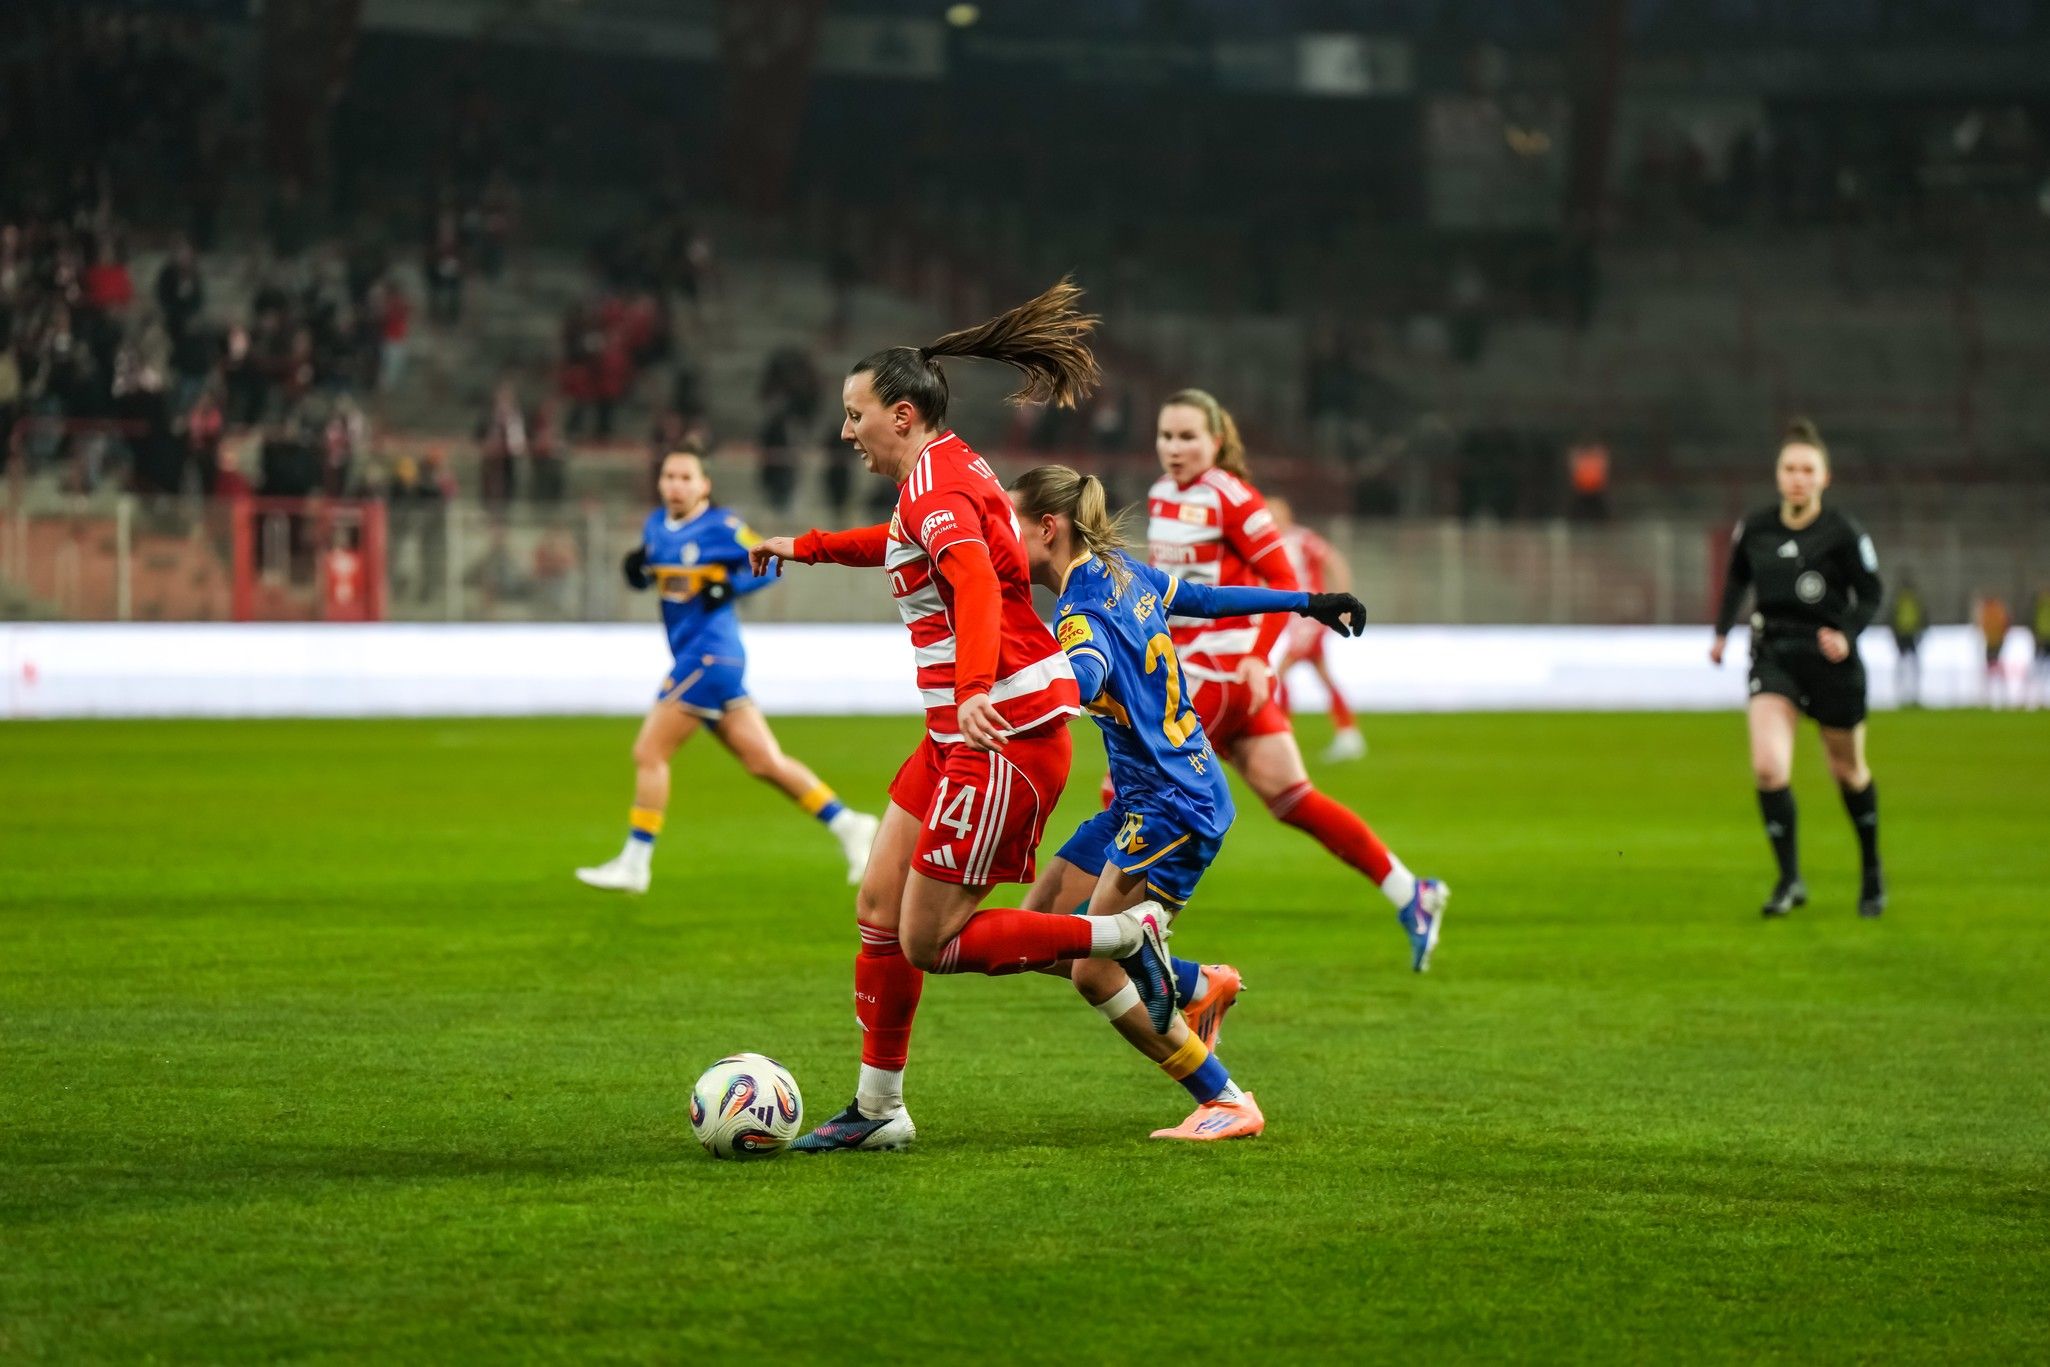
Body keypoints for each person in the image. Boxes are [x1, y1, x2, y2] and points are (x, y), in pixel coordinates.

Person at [747, 281, 1177, 1153]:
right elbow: (906, 541)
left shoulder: (937, 489)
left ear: (900, 414)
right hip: (960, 732)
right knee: (877, 904)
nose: (845, 430)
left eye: (854, 414)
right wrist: (805, 545)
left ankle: (1129, 933)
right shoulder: (942, 471)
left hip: (1000, 736)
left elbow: (977, 582)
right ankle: (879, 1110)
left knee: (930, 939)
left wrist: (976, 685)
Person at [1009, 464, 1369, 1140]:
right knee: (1038, 934)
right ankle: (1195, 980)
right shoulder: (1121, 571)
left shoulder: (1079, 613)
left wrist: (1034, 698)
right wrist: (1307, 602)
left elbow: (1083, 671)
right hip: (1148, 795)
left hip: (1175, 807)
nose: (999, 536)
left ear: (1047, 529)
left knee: (1091, 969)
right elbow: (1202, 600)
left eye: (1009, 522)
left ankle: (1226, 1097)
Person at [1145, 388, 1448, 971]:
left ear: (1215, 440)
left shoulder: (1231, 496)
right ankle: (1410, 892)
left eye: (1188, 437)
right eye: (1166, 436)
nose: (1175, 448)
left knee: (1135, 784)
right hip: (1193, 666)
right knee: (1294, 800)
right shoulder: (1162, 495)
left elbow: (1284, 577)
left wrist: (1259, 654)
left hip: (1218, 668)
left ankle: (1121, 930)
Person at [575, 450, 882, 894]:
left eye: (686, 477)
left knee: (649, 753)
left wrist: (731, 585)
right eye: (669, 476)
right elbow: (663, 576)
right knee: (764, 761)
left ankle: (635, 863)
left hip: (710, 657)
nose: (675, 484)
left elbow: (769, 564)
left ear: (704, 486)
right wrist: (638, 574)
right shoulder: (657, 526)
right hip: (701, 659)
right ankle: (848, 823)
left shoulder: (722, 528)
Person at [1710, 419, 1886, 919]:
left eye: (1808, 469)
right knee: (1768, 768)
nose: (1798, 477)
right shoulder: (1757, 527)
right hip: (1774, 654)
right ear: (1778, 474)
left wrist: (1847, 632)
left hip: (1830, 661)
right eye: (1790, 468)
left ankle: (1871, 869)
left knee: (1848, 772)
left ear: (1824, 478)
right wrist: (1722, 633)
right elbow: (1736, 580)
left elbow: (1871, 593)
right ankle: (1789, 879)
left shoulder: (1842, 532)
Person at [1269, 495, 1367, 761]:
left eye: (1277, 512)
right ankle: (1348, 733)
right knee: (1323, 675)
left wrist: (1344, 598)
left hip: (1311, 617)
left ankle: (1282, 736)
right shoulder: (1270, 544)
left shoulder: (1302, 539)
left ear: (1288, 514)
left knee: (1280, 672)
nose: (1273, 517)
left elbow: (1333, 560)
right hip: (1296, 618)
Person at [1889, 573, 1927, 708]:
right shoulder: (1911, 598)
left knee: (1905, 665)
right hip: (1909, 634)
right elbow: (1922, 615)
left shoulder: (1900, 598)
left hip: (1905, 634)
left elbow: (1892, 617)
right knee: (1911, 665)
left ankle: (1907, 694)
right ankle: (1908, 694)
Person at [1973, 593, 2012, 708]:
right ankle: (1996, 694)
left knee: (1992, 667)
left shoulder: (1990, 611)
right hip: (1996, 642)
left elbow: (1984, 625)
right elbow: (2005, 624)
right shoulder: (1998, 609)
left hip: (1993, 642)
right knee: (1994, 667)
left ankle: (1992, 695)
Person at [2030, 589, 2050, 711]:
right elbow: (2034, 622)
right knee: (2039, 669)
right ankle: (2037, 697)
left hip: (2043, 639)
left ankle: (2039, 697)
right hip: (2042, 639)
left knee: (2040, 669)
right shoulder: (2039, 606)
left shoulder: (2040, 606)